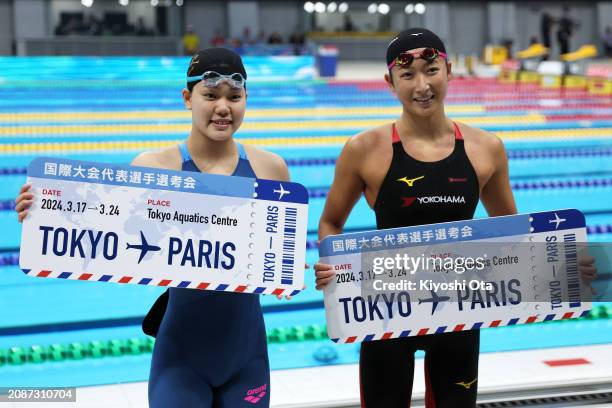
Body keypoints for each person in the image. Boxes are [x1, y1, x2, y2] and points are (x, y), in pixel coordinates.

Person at [313, 28, 596, 407]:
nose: (422, 85)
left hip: (459, 314)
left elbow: (510, 237)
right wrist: (331, 265)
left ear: (449, 70)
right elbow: (331, 222)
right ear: (390, 82)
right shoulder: (364, 149)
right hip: (384, 316)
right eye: (408, 75)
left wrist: (560, 267)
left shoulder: (486, 149)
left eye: (431, 70)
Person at [15, 47, 291, 407]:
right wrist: (44, 211)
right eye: (210, 95)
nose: (223, 107)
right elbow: (102, 233)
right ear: (188, 99)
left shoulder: (272, 170)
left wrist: (291, 269)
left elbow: (281, 255)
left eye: (234, 97)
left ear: (245, 100)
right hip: (181, 362)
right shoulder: (153, 168)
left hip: (248, 358)